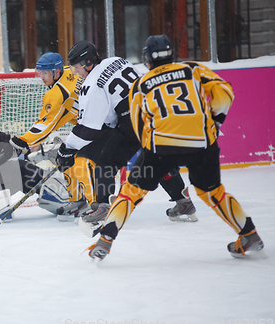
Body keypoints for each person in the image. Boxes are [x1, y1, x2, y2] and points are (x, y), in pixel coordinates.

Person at [88, 34, 264, 261]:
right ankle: (249, 233)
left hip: (161, 145)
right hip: (202, 142)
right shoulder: (193, 69)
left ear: (147, 59)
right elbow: (225, 92)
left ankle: (106, 238)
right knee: (213, 192)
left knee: (131, 193)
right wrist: (214, 122)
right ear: (172, 54)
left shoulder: (141, 84)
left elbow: (137, 121)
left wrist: (149, 148)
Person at [57, 40, 197, 228]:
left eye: (76, 68)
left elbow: (88, 129)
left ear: (89, 63)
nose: (75, 73)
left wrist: (67, 149)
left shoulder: (91, 84)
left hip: (132, 119)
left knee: (105, 161)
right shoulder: (117, 60)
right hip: (155, 110)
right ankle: (183, 201)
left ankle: (103, 206)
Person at [8, 52, 89, 218]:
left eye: (45, 73)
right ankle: (82, 200)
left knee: (68, 157)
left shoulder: (57, 94)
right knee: (71, 156)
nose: (41, 77)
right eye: (40, 73)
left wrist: (22, 142)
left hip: (94, 126)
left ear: (56, 72)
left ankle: (83, 202)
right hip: (93, 121)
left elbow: (45, 126)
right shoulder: (69, 70)